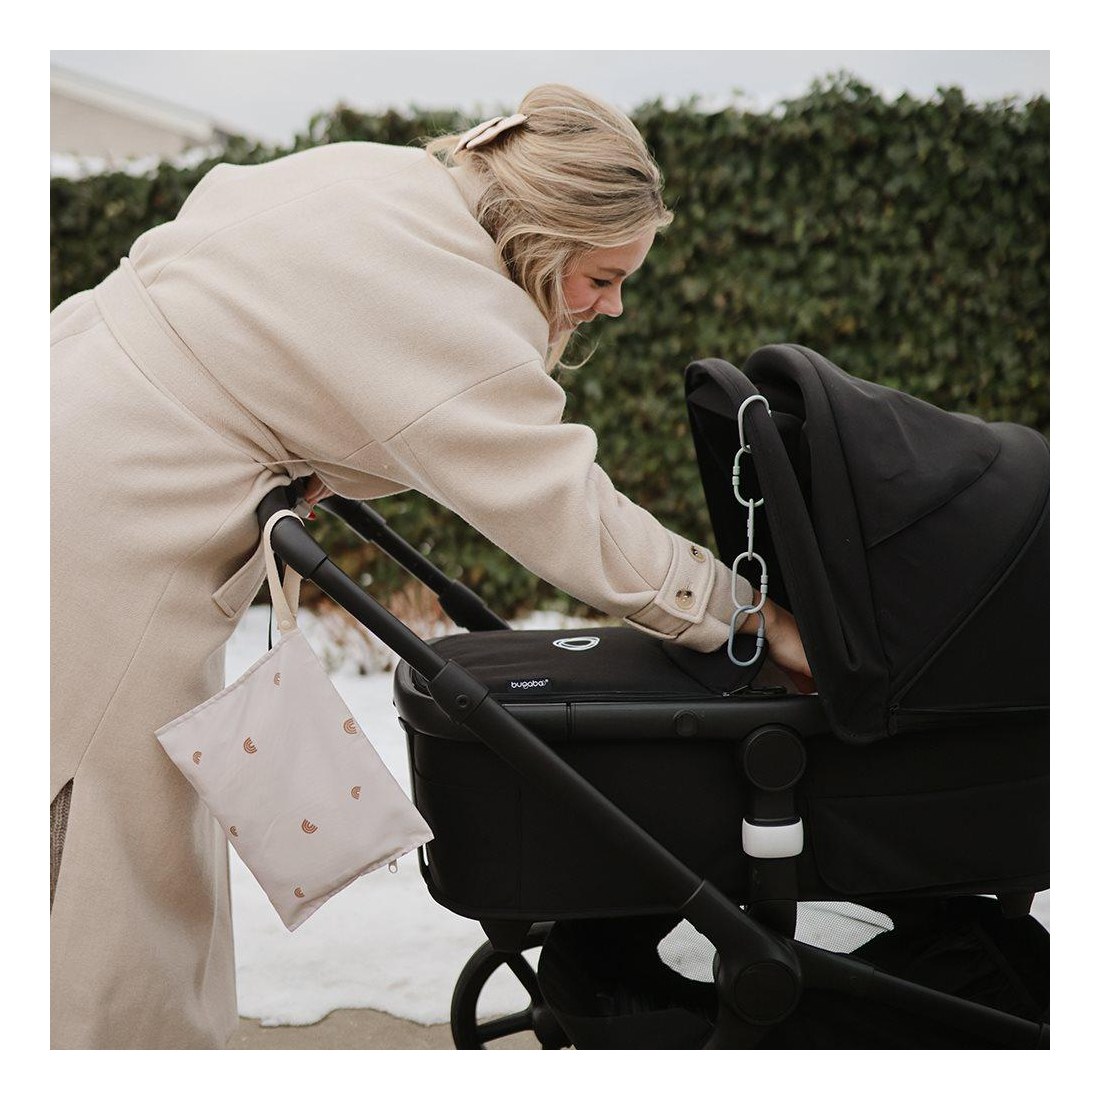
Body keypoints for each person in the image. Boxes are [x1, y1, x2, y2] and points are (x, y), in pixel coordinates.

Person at [50, 83, 811, 1049]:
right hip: (103, 524)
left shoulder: (386, 180)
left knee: (118, 832)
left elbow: (230, 278)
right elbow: (568, 513)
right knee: (98, 854)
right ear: (546, 234)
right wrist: (749, 616)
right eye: (602, 276)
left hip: (62, 404)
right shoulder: (454, 308)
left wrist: (266, 426)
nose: (614, 305)